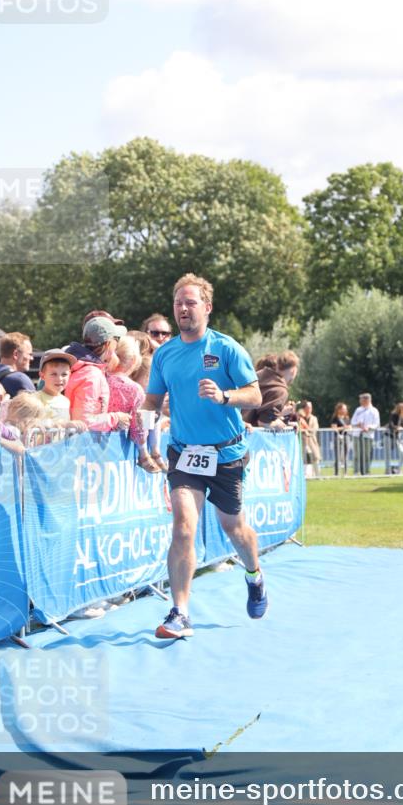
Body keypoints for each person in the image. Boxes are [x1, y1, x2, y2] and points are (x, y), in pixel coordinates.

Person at [141, 273, 265, 641]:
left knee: (235, 530)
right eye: (178, 302)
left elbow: (256, 396)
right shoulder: (164, 354)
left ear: (207, 308)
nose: (182, 308)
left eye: (190, 302)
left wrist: (225, 396)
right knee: (183, 526)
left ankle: (254, 575)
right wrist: (146, 434)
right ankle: (180, 613)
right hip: (184, 453)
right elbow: (151, 400)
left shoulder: (226, 348)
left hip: (226, 454)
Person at [64, 317, 132, 432]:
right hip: (80, 445)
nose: (117, 344)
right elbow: (84, 421)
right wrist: (116, 418)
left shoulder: (75, 364)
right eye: (117, 339)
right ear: (108, 344)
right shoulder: (92, 374)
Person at [107, 335, 162, 472]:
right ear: (133, 361)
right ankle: (146, 456)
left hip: (96, 439)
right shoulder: (134, 389)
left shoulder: (101, 378)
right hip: (118, 450)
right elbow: (138, 426)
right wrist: (143, 451)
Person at [241, 351, 300, 428]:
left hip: (238, 429)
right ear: (293, 371)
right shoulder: (280, 390)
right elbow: (263, 423)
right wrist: (280, 425)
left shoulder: (258, 375)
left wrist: (280, 414)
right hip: (252, 435)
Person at [0, 332, 35, 398]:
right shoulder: (20, 380)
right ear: (15, 354)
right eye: (29, 354)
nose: (32, 358)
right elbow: (35, 407)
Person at [36, 349, 75, 420]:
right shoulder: (34, 400)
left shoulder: (66, 401)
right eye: (54, 374)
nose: (59, 378)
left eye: (64, 374)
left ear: (70, 375)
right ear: (42, 376)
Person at [351, 393, 380, 475]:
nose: (360, 401)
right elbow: (353, 421)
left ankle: (366, 471)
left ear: (367, 400)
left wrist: (369, 427)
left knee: (367, 454)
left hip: (368, 435)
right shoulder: (358, 410)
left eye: (362, 399)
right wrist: (358, 424)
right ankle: (356, 471)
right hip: (357, 434)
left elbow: (377, 424)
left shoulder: (374, 411)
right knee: (357, 454)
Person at [297, 400, 321, 478]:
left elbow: (315, 429)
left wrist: (308, 431)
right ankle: (303, 476)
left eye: (310, 407)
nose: (309, 409)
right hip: (302, 441)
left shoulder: (314, 418)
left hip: (312, 441)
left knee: (316, 457)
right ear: (304, 408)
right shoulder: (300, 418)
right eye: (307, 407)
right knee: (303, 458)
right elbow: (298, 428)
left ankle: (317, 475)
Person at [330, 401, 350, 475]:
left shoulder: (347, 418)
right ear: (339, 409)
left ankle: (345, 473)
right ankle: (336, 473)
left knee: (345, 456)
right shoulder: (335, 418)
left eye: (345, 409)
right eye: (343, 409)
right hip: (337, 438)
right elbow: (334, 428)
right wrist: (343, 427)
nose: (345, 410)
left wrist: (347, 428)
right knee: (337, 456)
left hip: (346, 437)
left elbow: (350, 427)